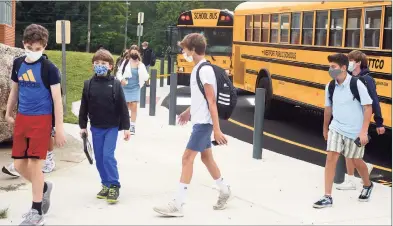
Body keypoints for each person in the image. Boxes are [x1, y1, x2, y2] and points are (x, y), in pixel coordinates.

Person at [153, 33, 232, 217]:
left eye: (185, 48)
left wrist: (217, 130)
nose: (183, 51)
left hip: (204, 124)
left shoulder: (204, 70)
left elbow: (212, 101)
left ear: (193, 49)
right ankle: (224, 190)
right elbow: (202, 98)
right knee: (206, 158)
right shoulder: (199, 69)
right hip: (200, 120)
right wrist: (188, 111)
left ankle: (178, 204)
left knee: (187, 158)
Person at [5, 24, 66, 225]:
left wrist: (59, 129)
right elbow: (15, 89)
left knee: (34, 163)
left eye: (38, 49)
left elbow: (57, 100)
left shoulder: (49, 68)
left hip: (42, 120)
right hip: (22, 118)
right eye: (30, 48)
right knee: (20, 165)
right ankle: (44, 188)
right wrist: (8, 111)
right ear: (24, 44)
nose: (33, 52)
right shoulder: (18, 63)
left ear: (44, 47)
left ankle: (36, 211)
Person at [313, 53, 373, 209]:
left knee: (356, 161)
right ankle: (327, 196)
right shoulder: (330, 86)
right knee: (331, 157)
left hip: (354, 131)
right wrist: (325, 128)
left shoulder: (356, 84)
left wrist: (364, 131)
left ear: (344, 68)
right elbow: (328, 109)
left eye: (333, 67)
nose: (330, 70)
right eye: (330, 67)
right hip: (336, 127)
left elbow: (368, 107)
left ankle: (367, 184)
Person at [79, 49, 131, 204]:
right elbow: (84, 107)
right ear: (92, 65)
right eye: (96, 63)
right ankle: (105, 184)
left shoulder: (115, 84)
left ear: (110, 66)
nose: (99, 65)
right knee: (99, 158)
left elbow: (123, 107)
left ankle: (114, 184)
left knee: (108, 156)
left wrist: (127, 128)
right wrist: (83, 126)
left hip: (112, 127)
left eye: (103, 63)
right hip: (96, 127)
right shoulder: (88, 84)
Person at [336, 50, 384, 190]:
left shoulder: (367, 79)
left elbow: (375, 101)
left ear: (357, 63)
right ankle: (361, 169)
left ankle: (351, 180)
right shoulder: (349, 77)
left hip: (360, 119)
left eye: (350, 60)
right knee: (348, 149)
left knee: (350, 150)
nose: (348, 63)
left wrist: (379, 122)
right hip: (349, 117)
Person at [116, 45, 149, 135]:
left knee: (134, 105)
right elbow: (119, 73)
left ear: (139, 53)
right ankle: (125, 124)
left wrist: (140, 68)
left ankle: (132, 125)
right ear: (129, 52)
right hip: (125, 87)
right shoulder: (125, 62)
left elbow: (146, 77)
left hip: (135, 87)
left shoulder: (141, 65)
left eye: (136, 51)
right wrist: (121, 79)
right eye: (132, 50)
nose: (134, 52)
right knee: (125, 106)